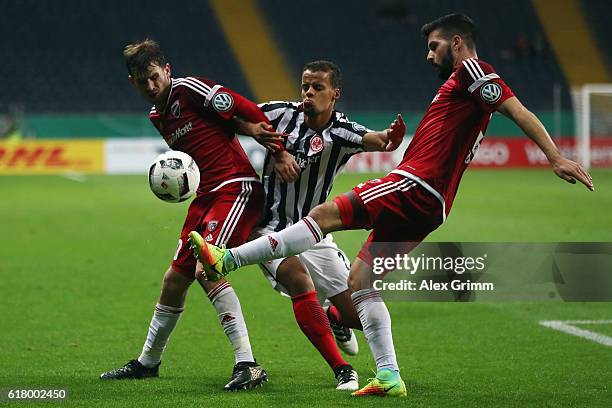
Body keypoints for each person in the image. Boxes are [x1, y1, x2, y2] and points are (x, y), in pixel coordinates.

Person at [188, 13, 594, 397]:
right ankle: (388, 376)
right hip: (434, 205)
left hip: (416, 183)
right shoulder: (465, 88)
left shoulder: (472, 71)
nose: (428, 54)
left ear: (457, 43)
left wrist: (554, 156)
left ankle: (229, 260)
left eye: (434, 46)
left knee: (321, 215)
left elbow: (517, 109)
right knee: (360, 281)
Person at [99, 39, 282, 391]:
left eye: (154, 77)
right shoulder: (157, 116)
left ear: (166, 71)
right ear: (133, 83)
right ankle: (147, 363)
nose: (150, 86)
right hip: (205, 197)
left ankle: (248, 364)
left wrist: (271, 142)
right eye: (142, 81)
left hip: (236, 187)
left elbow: (237, 107)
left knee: (207, 269)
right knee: (173, 280)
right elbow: (220, 127)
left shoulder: (187, 89)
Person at [234, 60, 406, 391]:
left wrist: (389, 138)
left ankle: (336, 318)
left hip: (313, 230)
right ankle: (343, 370)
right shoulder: (281, 114)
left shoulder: (340, 131)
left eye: (317, 88)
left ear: (334, 94)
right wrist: (272, 144)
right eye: (305, 86)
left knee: (359, 314)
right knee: (299, 280)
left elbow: (376, 140)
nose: (308, 93)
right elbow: (235, 118)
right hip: (269, 227)